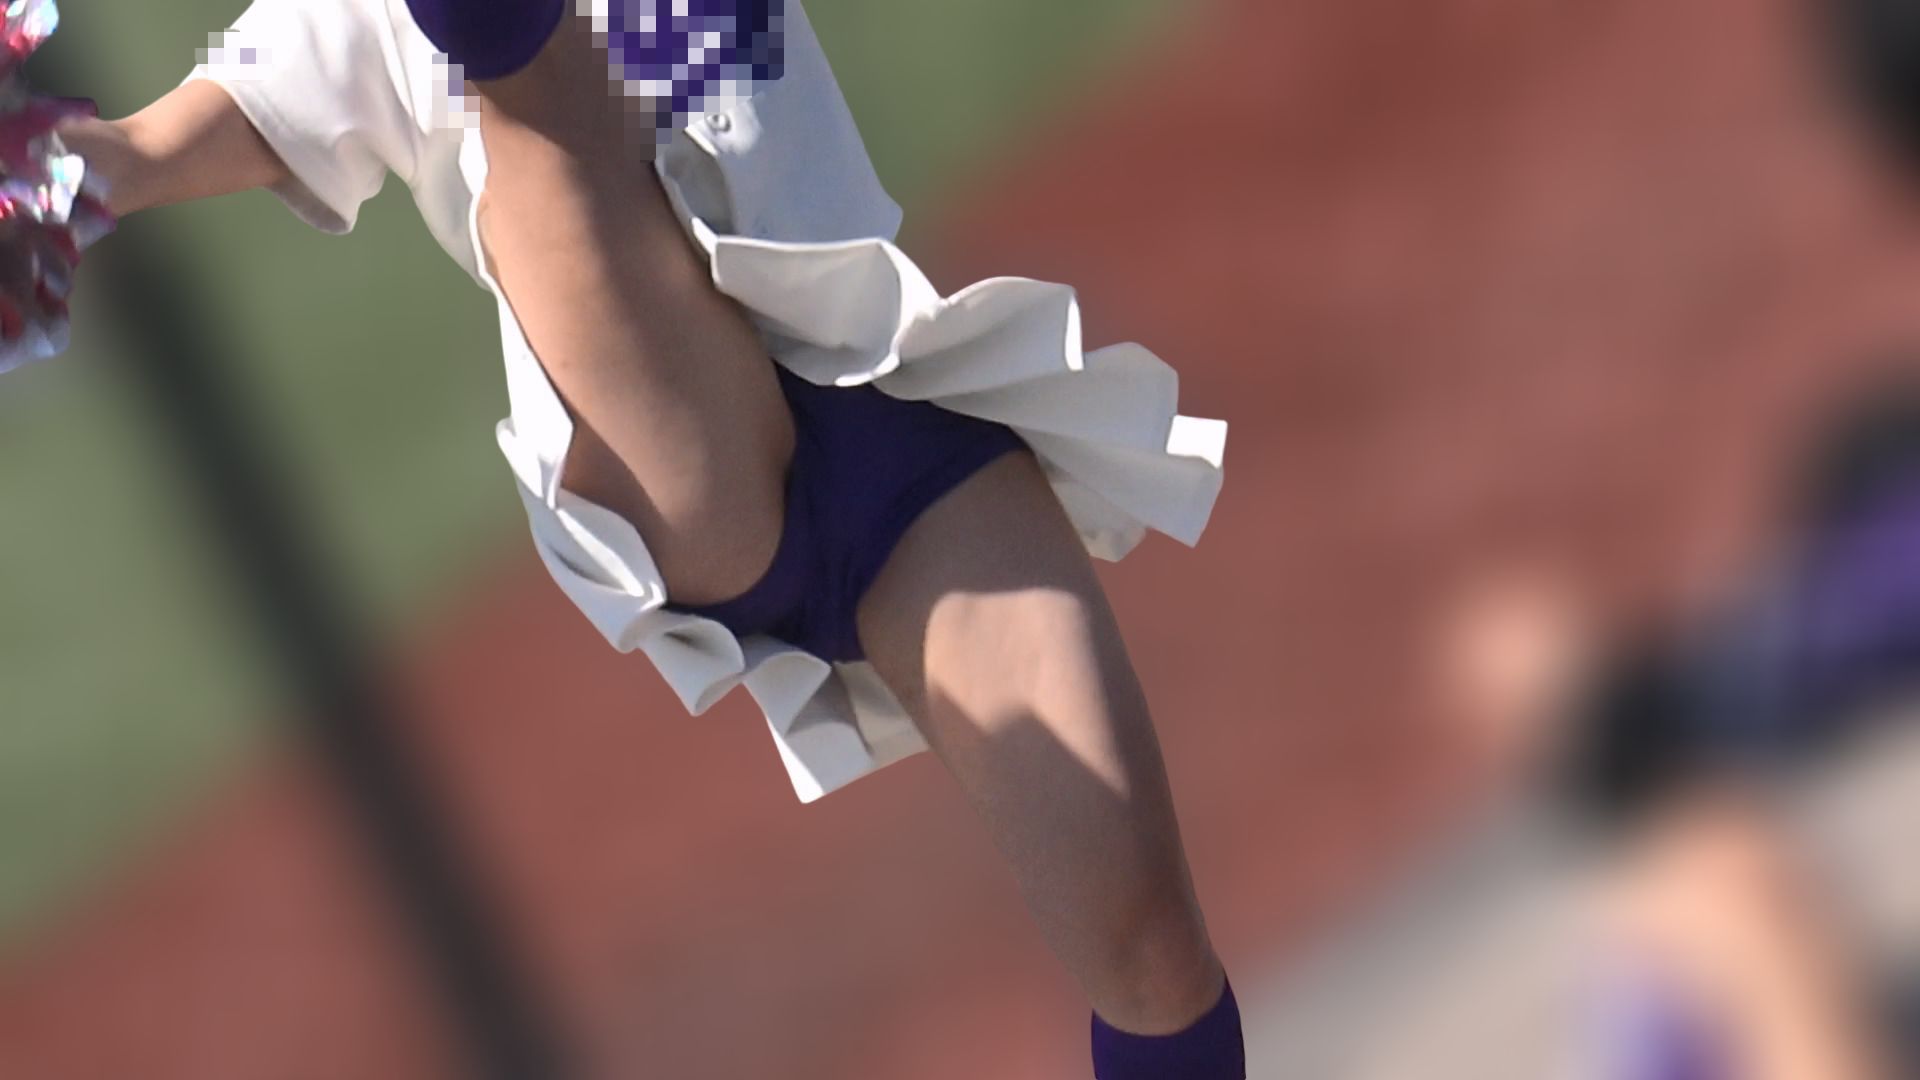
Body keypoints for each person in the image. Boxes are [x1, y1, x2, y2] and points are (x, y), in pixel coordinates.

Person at [6, 1, 1241, 1074]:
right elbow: (146, 148)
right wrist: (40, 176)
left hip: (894, 417)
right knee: (538, 100)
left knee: (1149, 947)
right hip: (678, 454)